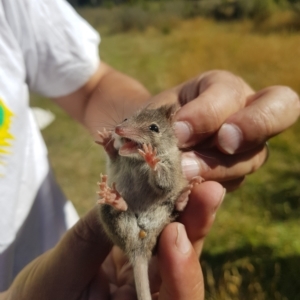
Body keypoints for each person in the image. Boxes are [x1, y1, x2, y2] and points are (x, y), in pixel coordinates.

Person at [0, 0, 299, 299]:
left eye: (151, 130)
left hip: (145, 226)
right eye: (128, 125)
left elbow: (91, 86)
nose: (122, 131)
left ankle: (125, 205)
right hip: (117, 235)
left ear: (170, 139)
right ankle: (121, 206)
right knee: (112, 206)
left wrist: (183, 137)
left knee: (143, 197)